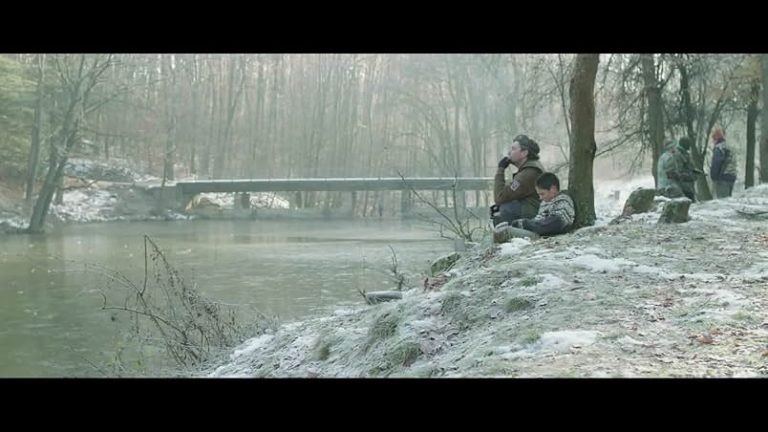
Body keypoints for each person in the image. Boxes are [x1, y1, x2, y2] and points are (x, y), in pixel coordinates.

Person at [493, 172, 574, 242]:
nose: (540, 198)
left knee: (505, 232)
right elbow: (538, 221)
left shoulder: (563, 201)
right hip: (539, 233)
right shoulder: (546, 202)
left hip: (547, 237)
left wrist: (526, 224)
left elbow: (552, 224)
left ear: (553, 189)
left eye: (542, 194)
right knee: (501, 228)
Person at [490, 134, 545, 227]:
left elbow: (500, 197)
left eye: (513, 149)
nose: (509, 152)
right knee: (496, 209)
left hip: (532, 214)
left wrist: (501, 169)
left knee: (501, 209)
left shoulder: (528, 174)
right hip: (531, 209)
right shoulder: (531, 168)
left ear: (524, 153)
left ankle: (507, 233)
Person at [657, 137, 697, 201]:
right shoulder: (670, 158)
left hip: (662, 187)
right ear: (671, 148)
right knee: (684, 201)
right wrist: (686, 176)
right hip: (670, 187)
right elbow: (671, 173)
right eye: (673, 147)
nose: (675, 148)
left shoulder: (663, 157)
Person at [709, 128, 737, 198]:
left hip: (723, 177)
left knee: (722, 200)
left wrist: (714, 177)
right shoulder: (728, 146)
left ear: (716, 138)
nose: (713, 141)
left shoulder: (719, 148)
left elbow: (717, 163)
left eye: (713, 139)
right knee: (728, 200)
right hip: (732, 176)